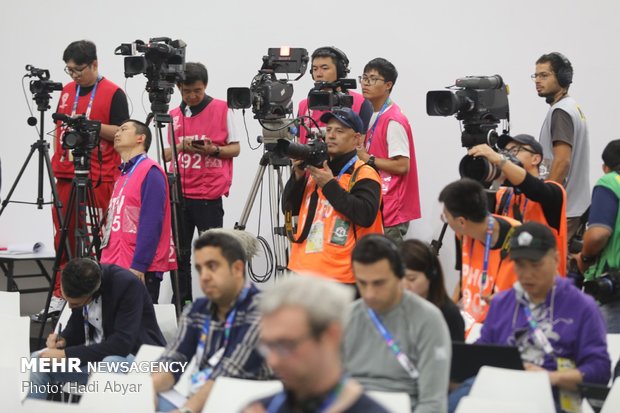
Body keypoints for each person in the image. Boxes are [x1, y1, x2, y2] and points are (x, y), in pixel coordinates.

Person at [448, 222, 611, 413]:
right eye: (520, 265)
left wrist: (550, 377)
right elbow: (484, 350)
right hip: (498, 395)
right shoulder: (502, 302)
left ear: (556, 259)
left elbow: (599, 370)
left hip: (552, 399)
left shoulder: (582, 307)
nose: (527, 274)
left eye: (536, 265)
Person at [32, 40, 129, 321]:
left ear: (95, 64)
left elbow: (123, 133)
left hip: (99, 176)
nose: (73, 75)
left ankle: (97, 301)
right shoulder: (66, 91)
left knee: (95, 239)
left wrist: (94, 127)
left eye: (78, 70)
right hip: (64, 174)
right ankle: (60, 296)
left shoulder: (113, 93)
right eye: (69, 70)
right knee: (63, 236)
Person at [152, 231, 271, 413]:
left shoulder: (263, 310)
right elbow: (174, 357)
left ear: (237, 269)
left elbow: (228, 373)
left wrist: (187, 410)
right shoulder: (197, 309)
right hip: (201, 397)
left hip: (245, 403)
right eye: (200, 269)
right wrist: (149, 390)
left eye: (212, 266)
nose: (204, 276)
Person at [243, 276, 389, 413]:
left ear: (331, 336)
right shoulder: (261, 408)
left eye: (286, 345)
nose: (272, 361)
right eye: (268, 346)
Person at [26, 258, 165, 400]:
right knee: (38, 360)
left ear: (92, 293)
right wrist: (63, 340)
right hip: (95, 360)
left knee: (110, 363)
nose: (69, 307)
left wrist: (66, 354)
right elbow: (76, 329)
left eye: (76, 304)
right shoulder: (79, 278)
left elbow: (121, 345)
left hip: (136, 359)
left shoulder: (127, 285)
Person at [344, 234, 451, 413]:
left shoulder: (428, 320)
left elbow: (433, 403)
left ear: (399, 276)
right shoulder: (346, 317)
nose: (369, 294)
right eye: (362, 283)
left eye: (379, 283)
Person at [164, 62, 240, 308]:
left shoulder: (222, 109)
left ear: (205, 85)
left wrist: (213, 150)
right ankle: (182, 302)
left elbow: (235, 148)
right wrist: (181, 147)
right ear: (178, 88)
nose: (192, 96)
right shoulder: (173, 116)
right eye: (186, 91)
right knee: (180, 254)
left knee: (213, 254)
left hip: (208, 195)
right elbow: (164, 154)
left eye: (197, 90)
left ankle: (216, 303)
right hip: (178, 195)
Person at [283, 107, 383, 286]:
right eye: (328, 130)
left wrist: (329, 185)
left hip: (342, 277)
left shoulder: (364, 173)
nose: (331, 136)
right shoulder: (318, 170)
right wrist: (297, 177)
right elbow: (288, 209)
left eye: (340, 131)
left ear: (356, 139)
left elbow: (365, 215)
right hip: (301, 270)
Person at [99, 119, 177, 304]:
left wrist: (139, 265)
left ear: (140, 138)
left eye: (124, 129)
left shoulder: (151, 172)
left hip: (137, 268)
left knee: (138, 328)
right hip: (114, 264)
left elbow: (151, 222)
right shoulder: (122, 175)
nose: (117, 133)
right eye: (117, 130)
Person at [467, 133, 567, 274]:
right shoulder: (503, 195)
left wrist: (499, 159)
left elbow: (533, 188)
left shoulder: (553, 191)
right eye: (505, 152)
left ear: (536, 159)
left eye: (515, 150)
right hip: (509, 281)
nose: (508, 156)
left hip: (545, 284)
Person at [356, 58, 421, 244]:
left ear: (388, 85)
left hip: (392, 205)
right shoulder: (371, 114)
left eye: (373, 79)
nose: (366, 83)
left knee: (390, 267)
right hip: (377, 201)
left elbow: (402, 165)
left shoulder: (393, 120)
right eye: (364, 78)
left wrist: (367, 158)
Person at [438, 178, 520, 324]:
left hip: (504, 325)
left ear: (462, 222)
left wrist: (508, 297)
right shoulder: (462, 235)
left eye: (445, 217)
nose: (446, 221)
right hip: (470, 322)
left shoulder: (518, 236)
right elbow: (464, 277)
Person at [535, 52, 590, 241]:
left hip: (564, 211)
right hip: (574, 208)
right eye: (536, 75)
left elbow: (562, 161)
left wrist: (545, 199)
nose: (537, 80)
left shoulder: (561, 112)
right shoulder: (572, 107)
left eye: (544, 75)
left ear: (563, 77)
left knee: (552, 268)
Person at [576, 139, 620, 332]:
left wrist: (585, 256)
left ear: (605, 167)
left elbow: (597, 235)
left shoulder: (610, 181)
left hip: (615, 289)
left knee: (605, 355)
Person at [297, 46, 373, 144]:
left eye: (324, 68)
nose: (318, 74)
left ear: (340, 71)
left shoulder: (360, 103)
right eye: (315, 69)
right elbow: (299, 142)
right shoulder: (304, 105)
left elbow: (361, 145)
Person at [400, 239, 465, 341]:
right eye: (399, 278)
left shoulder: (448, 315)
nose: (405, 286)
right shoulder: (391, 309)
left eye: (411, 279)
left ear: (431, 275)